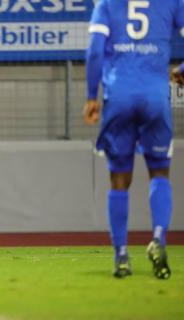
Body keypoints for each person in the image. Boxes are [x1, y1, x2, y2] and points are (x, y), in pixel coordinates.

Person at [84, 0, 184, 278]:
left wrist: (92, 96)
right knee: (160, 173)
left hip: (119, 96)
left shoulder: (106, 4)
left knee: (119, 178)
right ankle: (159, 239)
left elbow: (94, 52)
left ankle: (122, 255)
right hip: (155, 96)